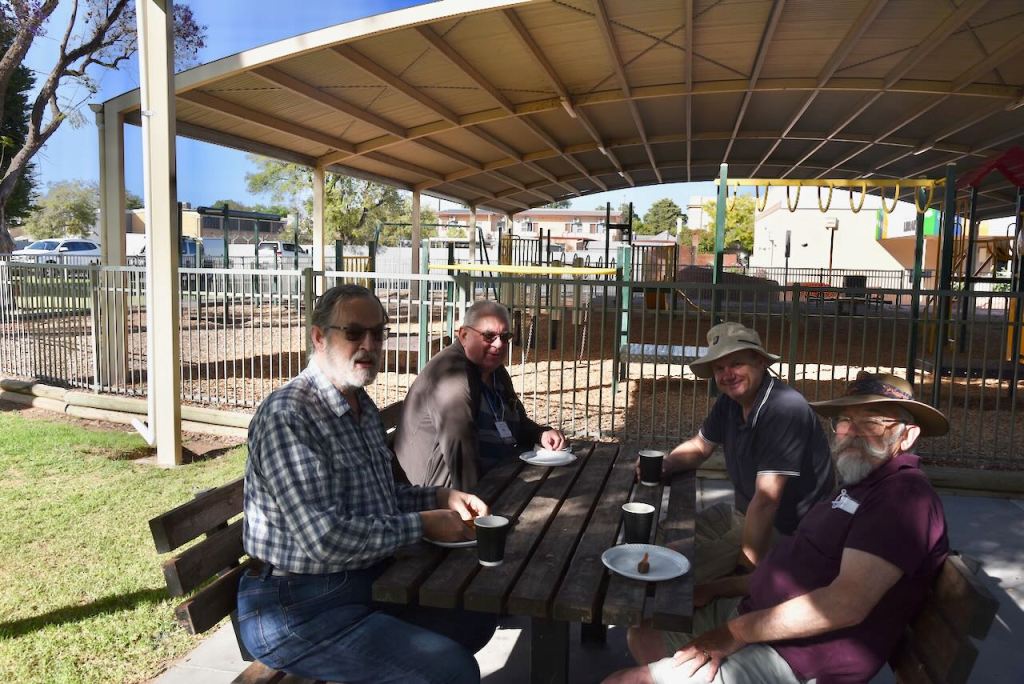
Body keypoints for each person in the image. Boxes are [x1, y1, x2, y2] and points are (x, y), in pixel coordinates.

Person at [606, 371, 950, 684]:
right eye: (845, 420)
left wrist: (734, 632)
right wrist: (718, 587)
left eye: (872, 421)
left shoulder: (903, 497)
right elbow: (797, 565)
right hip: (762, 618)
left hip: (798, 657)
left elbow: (845, 603)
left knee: (623, 682)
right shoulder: (861, 485)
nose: (852, 431)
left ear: (908, 435)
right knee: (646, 632)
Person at [238, 284, 496, 684]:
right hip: (295, 607)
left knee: (476, 617)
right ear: (319, 337)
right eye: (354, 333)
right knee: (451, 670)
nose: (369, 345)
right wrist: (423, 524)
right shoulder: (289, 416)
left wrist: (443, 496)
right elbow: (323, 538)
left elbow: (382, 498)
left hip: (361, 581)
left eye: (378, 333)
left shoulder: (360, 405)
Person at [651, 322, 835, 587]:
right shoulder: (731, 401)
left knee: (669, 571)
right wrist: (666, 464)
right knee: (657, 541)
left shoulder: (784, 409)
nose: (728, 375)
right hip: (744, 515)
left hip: (789, 533)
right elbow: (700, 447)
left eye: (736, 364)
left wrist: (743, 571)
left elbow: (767, 501)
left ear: (760, 362)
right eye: (719, 368)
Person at [395, 300, 566, 490]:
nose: (499, 344)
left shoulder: (495, 372)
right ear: (464, 335)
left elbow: (516, 420)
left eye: (505, 337)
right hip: (438, 494)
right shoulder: (453, 377)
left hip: (499, 475)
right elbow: (461, 454)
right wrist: (478, 502)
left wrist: (540, 434)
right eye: (489, 336)